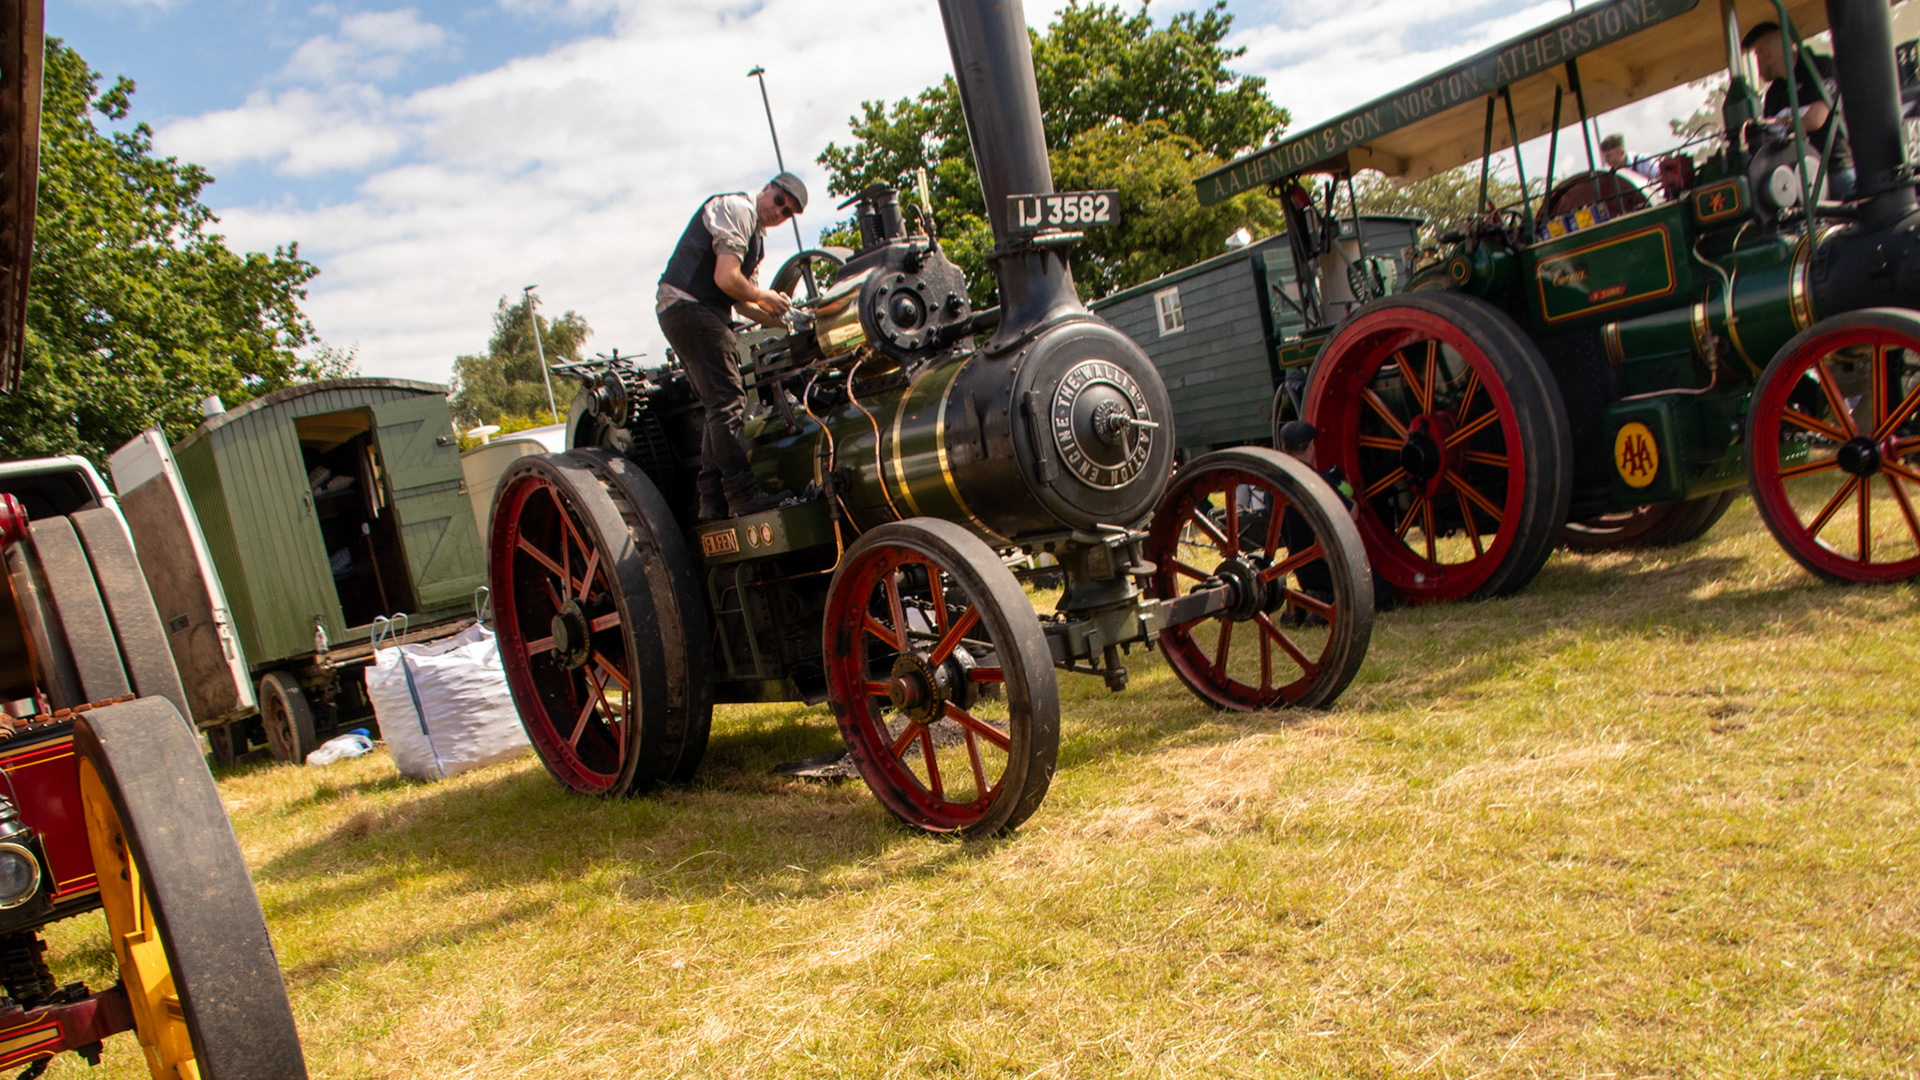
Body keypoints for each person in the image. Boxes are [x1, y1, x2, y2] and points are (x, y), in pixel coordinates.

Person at [657, 172, 809, 521]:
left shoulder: (756, 240)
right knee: (728, 401)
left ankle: (712, 501)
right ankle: (743, 495)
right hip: (691, 308)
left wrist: (793, 322)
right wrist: (766, 296)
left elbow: (742, 304)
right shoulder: (738, 209)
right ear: (767, 189)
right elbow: (726, 279)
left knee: (717, 405)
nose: (779, 211)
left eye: (787, 212)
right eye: (779, 201)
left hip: (687, 311)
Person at [1274, 420, 1394, 617]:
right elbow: (1352, 513)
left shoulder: (1272, 488)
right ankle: (1323, 603)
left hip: (1302, 570)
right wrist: (1345, 494)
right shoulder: (1319, 482)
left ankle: (1306, 601)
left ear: (1284, 448)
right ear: (1311, 446)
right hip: (1330, 567)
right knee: (1382, 595)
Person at [1742, 21, 1855, 199]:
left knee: (1860, 207)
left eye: (1756, 55)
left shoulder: (1819, 66)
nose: (1757, 66)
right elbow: (1769, 139)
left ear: (1765, 54)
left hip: (1834, 170)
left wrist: (1781, 125)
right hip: (1797, 183)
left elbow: (1816, 119)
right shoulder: (1773, 94)